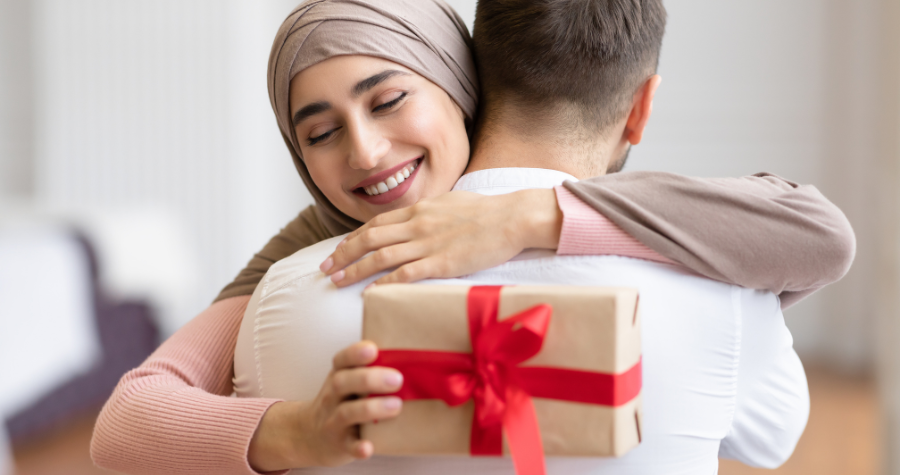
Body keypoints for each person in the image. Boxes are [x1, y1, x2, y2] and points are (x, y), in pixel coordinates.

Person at [90, 0, 851, 474]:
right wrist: (300, 428)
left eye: (389, 100)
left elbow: (819, 231)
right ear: (640, 109)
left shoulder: (293, 293)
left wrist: (528, 217)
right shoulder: (303, 256)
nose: (366, 153)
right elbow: (128, 419)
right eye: (318, 133)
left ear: (464, 86)